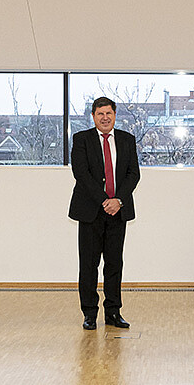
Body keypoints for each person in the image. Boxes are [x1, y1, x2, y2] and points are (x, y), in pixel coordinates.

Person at [69, 97, 140, 330]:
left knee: (114, 264)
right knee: (88, 265)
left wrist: (118, 200)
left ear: (115, 114)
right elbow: (81, 174)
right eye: (100, 114)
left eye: (109, 113)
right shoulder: (81, 140)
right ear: (93, 116)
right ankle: (89, 313)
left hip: (118, 212)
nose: (105, 117)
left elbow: (133, 174)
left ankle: (113, 312)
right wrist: (104, 201)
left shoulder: (127, 140)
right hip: (91, 211)